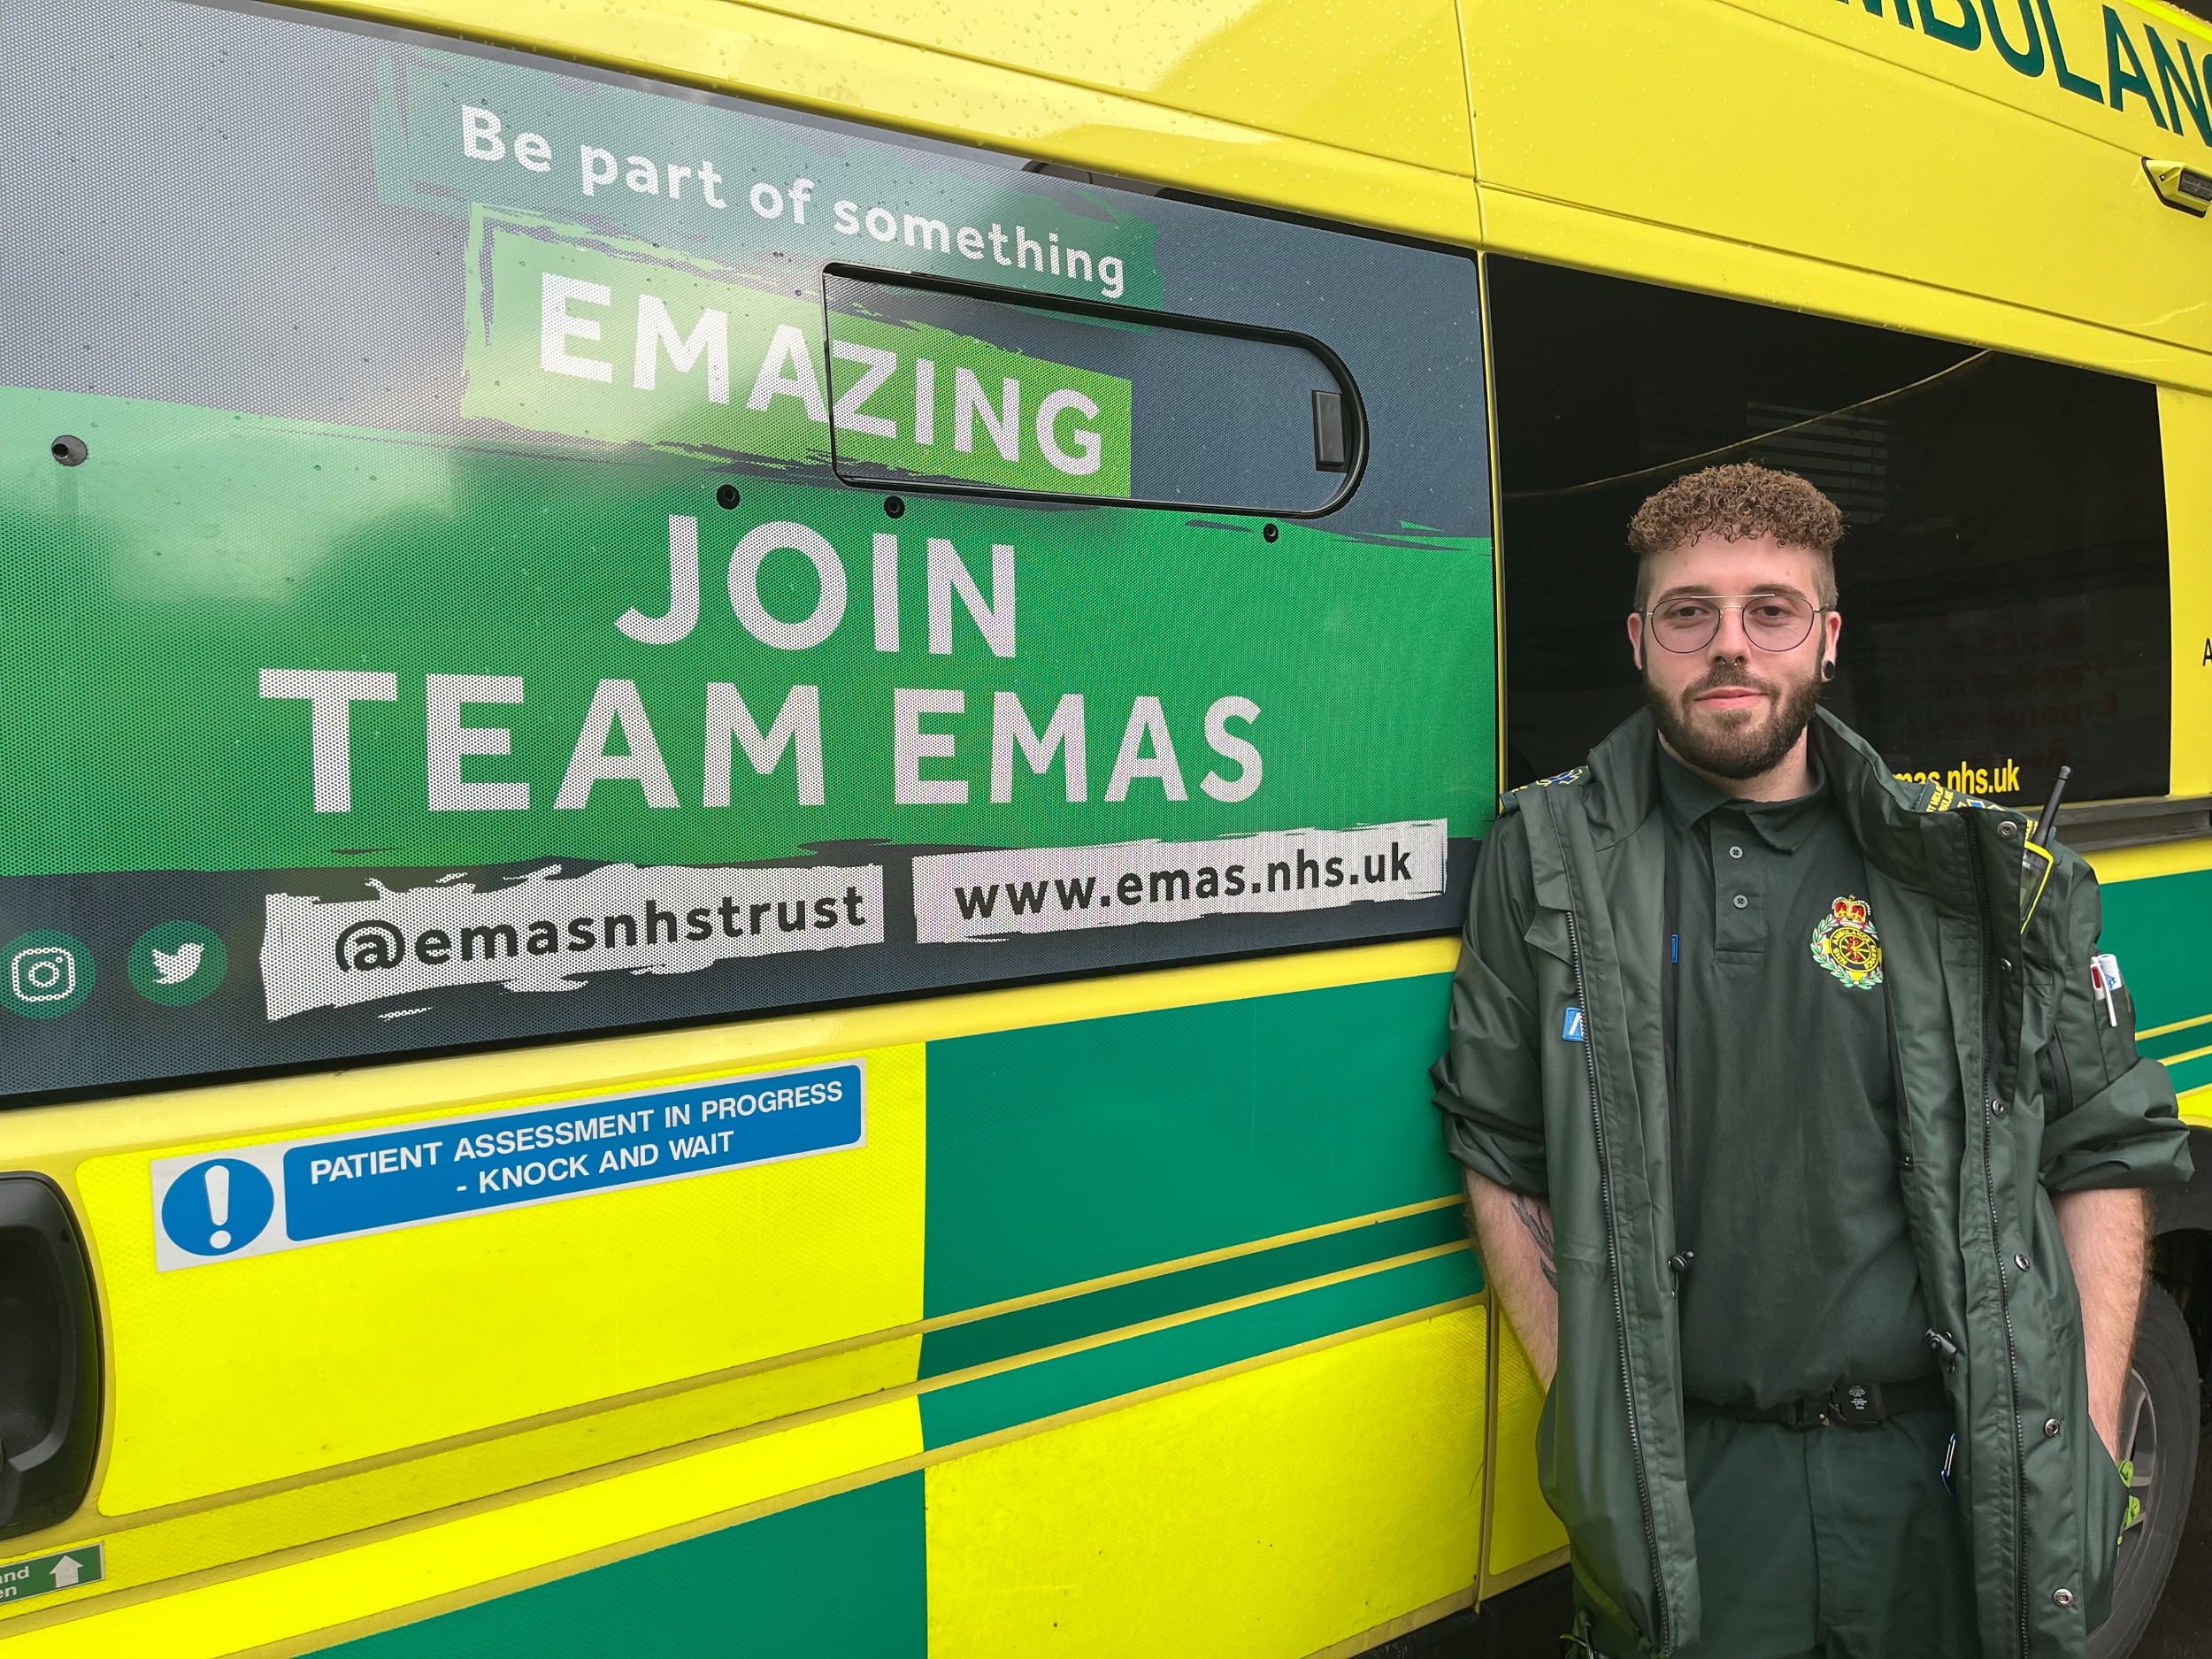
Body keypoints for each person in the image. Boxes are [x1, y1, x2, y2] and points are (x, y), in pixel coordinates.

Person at [1432, 463, 2192, 1659]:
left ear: (1828, 640)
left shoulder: (1964, 870)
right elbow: (1498, 1146)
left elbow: (2102, 1144)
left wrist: (2084, 1437)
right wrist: (1600, 1437)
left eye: (1771, 610)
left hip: (1936, 1484)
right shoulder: (1547, 863)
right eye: (1690, 613)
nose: (1729, 646)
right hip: (1696, 1497)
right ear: (1641, 640)